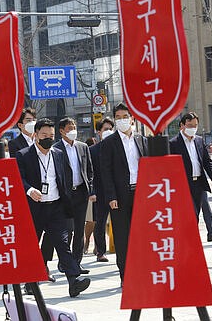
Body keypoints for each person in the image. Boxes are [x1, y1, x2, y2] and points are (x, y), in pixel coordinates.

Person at [16, 118, 91, 298]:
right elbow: (19, 178)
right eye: (44, 135)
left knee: (63, 245)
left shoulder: (58, 153)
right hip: (35, 208)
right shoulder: (24, 155)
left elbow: (63, 178)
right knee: (33, 247)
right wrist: (29, 190)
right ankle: (30, 282)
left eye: (51, 135)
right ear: (35, 135)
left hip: (56, 206)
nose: (48, 138)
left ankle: (74, 281)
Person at [100, 102, 148, 286]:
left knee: (141, 234)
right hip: (120, 196)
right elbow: (106, 172)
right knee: (122, 236)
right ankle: (125, 274)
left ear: (132, 118)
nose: (122, 120)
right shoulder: (109, 143)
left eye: (124, 117)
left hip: (141, 192)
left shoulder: (141, 139)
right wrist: (111, 196)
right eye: (118, 117)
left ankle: (142, 270)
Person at [169, 112, 212, 242]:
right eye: (189, 125)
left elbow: (206, 161)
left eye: (195, 125)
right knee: (190, 212)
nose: (193, 128)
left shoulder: (199, 140)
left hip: (199, 181)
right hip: (184, 184)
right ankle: (190, 237)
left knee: (198, 211)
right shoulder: (174, 143)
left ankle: (202, 234)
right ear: (182, 125)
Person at [54, 117, 93, 273]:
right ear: (62, 131)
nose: (73, 131)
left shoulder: (83, 147)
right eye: (69, 128)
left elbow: (89, 169)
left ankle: (76, 262)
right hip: (65, 196)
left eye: (74, 127)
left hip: (81, 193)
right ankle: (64, 261)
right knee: (67, 230)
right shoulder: (56, 149)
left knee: (79, 229)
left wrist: (89, 187)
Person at [88, 117, 114, 262]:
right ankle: (100, 252)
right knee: (100, 222)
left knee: (120, 222)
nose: (109, 132)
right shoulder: (92, 150)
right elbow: (89, 173)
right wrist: (92, 192)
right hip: (100, 192)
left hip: (117, 192)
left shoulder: (118, 147)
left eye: (111, 129)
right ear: (99, 132)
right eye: (105, 129)